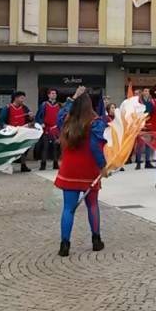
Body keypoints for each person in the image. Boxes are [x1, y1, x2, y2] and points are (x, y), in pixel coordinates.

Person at [54, 86, 108, 256]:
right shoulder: (96, 122)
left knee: (68, 208)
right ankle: (96, 240)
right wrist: (103, 165)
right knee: (92, 205)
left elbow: (59, 115)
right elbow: (95, 146)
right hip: (89, 169)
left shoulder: (67, 120)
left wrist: (72, 98)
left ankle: (64, 245)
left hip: (69, 169)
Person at [0, 91, 34, 172]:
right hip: (11, 132)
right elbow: (0, 120)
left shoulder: (25, 108)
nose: (23, 100)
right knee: (9, 149)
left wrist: (31, 117)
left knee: (24, 148)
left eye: (23, 98)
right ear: (16, 98)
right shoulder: (7, 108)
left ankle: (23, 165)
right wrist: (7, 127)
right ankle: (6, 165)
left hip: (22, 132)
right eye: (21, 98)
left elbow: (30, 120)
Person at [36, 89, 62, 171]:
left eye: (55, 93)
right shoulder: (44, 105)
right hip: (46, 128)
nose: (54, 95)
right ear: (48, 95)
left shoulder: (59, 105)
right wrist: (41, 123)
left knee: (56, 147)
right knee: (45, 146)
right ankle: (43, 164)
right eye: (52, 93)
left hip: (56, 129)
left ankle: (55, 163)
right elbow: (38, 116)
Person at [133, 87, 155, 170]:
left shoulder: (152, 102)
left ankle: (148, 162)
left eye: (148, 91)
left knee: (148, 145)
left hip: (149, 125)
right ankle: (138, 162)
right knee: (140, 145)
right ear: (142, 92)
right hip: (140, 124)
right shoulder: (139, 102)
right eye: (145, 91)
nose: (146, 92)